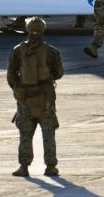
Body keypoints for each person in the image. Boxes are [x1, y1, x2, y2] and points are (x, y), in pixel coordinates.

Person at [6, 17, 63, 177]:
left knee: (25, 133)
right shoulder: (51, 51)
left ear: (27, 29)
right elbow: (59, 73)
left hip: (25, 96)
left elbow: (10, 76)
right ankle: (50, 166)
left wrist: (19, 90)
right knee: (48, 132)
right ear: (43, 30)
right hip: (45, 96)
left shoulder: (18, 50)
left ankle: (24, 166)